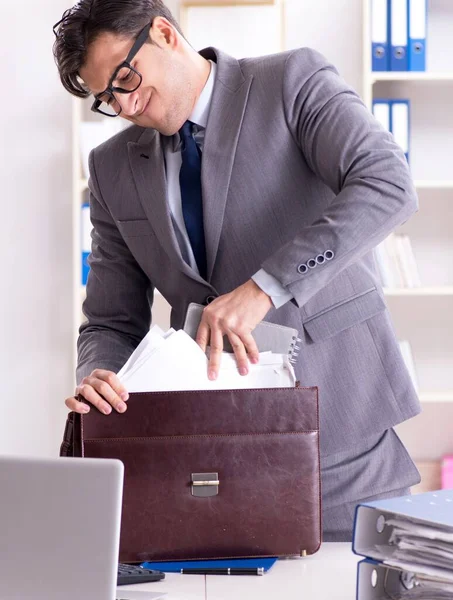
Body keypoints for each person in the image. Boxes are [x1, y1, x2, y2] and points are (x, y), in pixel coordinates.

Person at [53, 0, 421, 541]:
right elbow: (110, 320)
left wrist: (264, 289)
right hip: (205, 456)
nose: (126, 103)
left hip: (344, 434)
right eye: (106, 99)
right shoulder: (110, 169)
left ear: (164, 33)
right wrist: (100, 376)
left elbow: (387, 182)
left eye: (125, 78)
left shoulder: (291, 81)